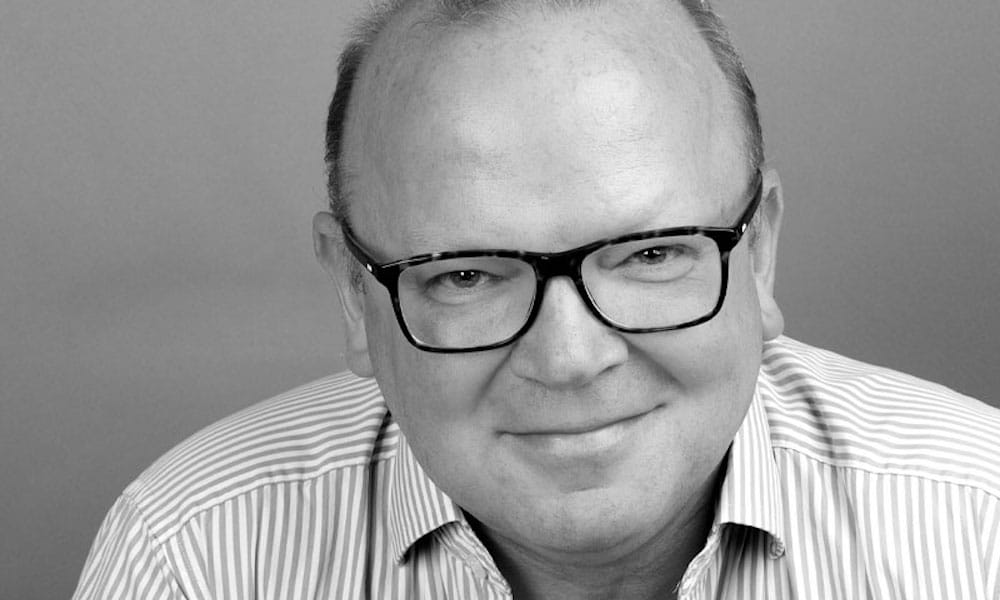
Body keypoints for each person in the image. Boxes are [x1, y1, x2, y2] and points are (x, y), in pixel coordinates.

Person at [73, 0, 1000, 598]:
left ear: (757, 256)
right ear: (356, 292)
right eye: (465, 275)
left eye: (650, 254)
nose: (569, 358)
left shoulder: (980, 526)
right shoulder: (192, 557)